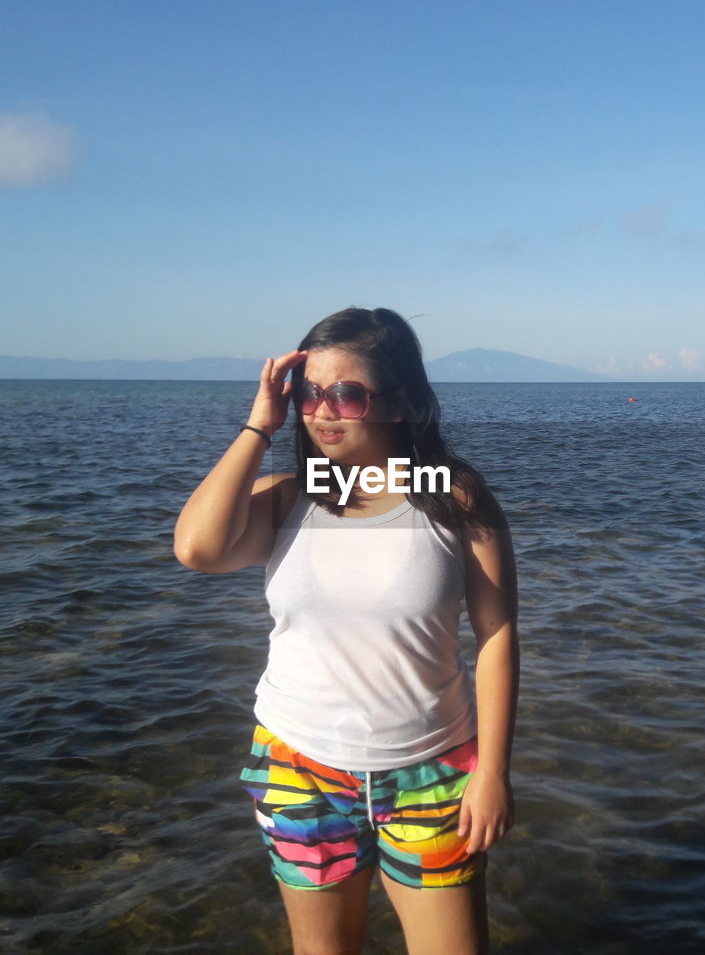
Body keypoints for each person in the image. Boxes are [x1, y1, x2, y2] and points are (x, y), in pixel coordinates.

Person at [174, 307, 518, 955]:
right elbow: (195, 547)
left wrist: (493, 771)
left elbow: (497, 635)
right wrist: (259, 425)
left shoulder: (453, 498)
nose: (322, 409)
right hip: (299, 768)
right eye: (309, 392)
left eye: (347, 394)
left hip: (431, 770)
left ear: (400, 403)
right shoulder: (289, 498)